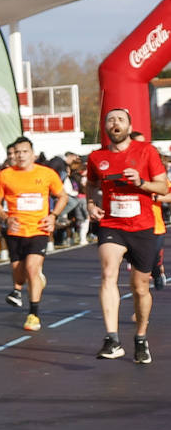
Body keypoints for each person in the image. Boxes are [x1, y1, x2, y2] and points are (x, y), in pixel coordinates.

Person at [87, 108, 169, 362]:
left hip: (142, 226)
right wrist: (91, 204)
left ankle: (141, 336)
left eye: (120, 119)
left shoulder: (147, 152)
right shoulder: (96, 156)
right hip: (112, 224)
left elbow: (163, 186)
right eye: (110, 120)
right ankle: (112, 339)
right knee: (108, 272)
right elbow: (91, 185)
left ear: (129, 125)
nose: (115, 123)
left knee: (139, 287)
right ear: (106, 127)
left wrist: (140, 183)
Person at [0, 136, 65, 331]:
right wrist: (5, 217)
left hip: (39, 229)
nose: (21, 155)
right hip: (15, 230)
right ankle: (35, 279)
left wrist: (53, 215)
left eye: (25, 151)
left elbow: (62, 196)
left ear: (33, 154)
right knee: (19, 276)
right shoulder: (6, 175)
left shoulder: (47, 174)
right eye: (18, 152)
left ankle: (33, 314)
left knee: (31, 268)